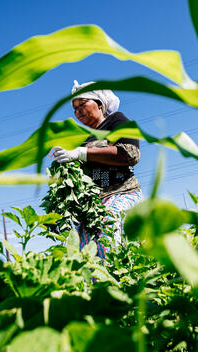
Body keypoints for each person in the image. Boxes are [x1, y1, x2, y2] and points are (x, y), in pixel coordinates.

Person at [50, 80, 142, 258]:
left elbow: (131, 154)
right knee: (82, 245)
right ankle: (97, 285)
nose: (78, 111)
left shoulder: (117, 120)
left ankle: (118, 280)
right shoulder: (82, 140)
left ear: (99, 104)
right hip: (94, 205)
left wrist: (82, 153)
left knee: (108, 227)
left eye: (82, 104)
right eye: (74, 108)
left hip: (121, 193)